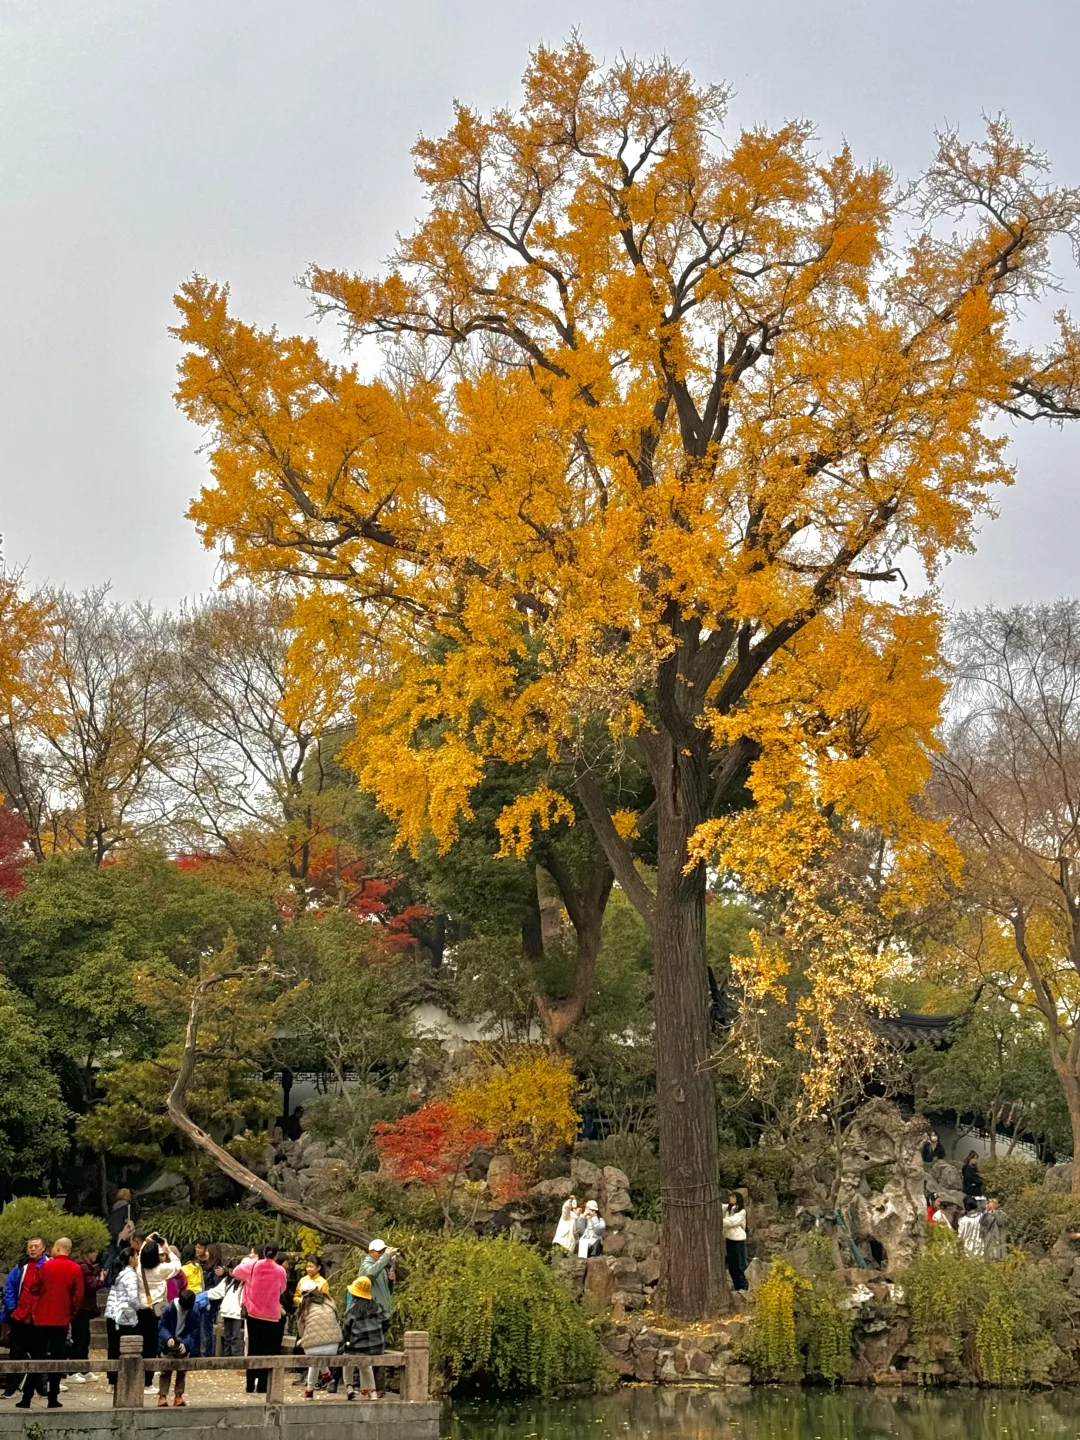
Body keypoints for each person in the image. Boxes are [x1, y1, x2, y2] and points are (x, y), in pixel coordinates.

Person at [19, 1237, 83, 1410]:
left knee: (37, 1358)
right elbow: (78, 1296)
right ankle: (53, 1397)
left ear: (57, 1248)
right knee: (57, 1359)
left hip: (42, 1318)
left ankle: (27, 1397)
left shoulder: (46, 1267)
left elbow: (34, 1287)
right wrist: (71, 1313)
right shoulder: (75, 1268)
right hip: (61, 1319)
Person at [231, 1244, 288, 1394]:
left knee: (253, 1348)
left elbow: (236, 1272)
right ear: (276, 1255)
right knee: (267, 1350)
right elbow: (282, 1288)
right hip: (271, 1315)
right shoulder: (280, 1270)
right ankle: (263, 1385)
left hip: (254, 1313)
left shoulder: (253, 1266)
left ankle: (250, 1385)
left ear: (263, 1253)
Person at [1, 1237, 48, 1398]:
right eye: (30, 1247)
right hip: (20, 1316)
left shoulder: (48, 1265)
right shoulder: (21, 1267)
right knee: (16, 1353)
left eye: (36, 1246)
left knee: (40, 1354)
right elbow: (9, 1288)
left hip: (40, 1318)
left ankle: (41, 1388)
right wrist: (12, 1309)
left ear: (43, 1248)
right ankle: (10, 1388)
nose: (33, 1249)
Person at [136, 1236, 182, 1392]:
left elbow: (142, 1253)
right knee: (151, 1345)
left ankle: (138, 1378)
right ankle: (147, 1382)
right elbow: (177, 1265)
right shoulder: (161, 1269)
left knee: (142, 1345)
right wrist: (167, 1249)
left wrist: (147, 1241)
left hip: (141, 1309)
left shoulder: (139, 1268)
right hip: (155, 1310)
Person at [294, 1260, 342, 1400]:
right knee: (318, 1351)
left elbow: (301, 1331)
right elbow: (336, 1318)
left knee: (314, 1354)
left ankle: (310, 1389)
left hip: (314, 1347)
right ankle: (326, 1378)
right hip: (334, 1344)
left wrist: (304, 1339)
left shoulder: (305, 1307)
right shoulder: (329, 1300)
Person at [341, 1275, 384, 1401]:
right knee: (364, 1360)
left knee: (347, 1355)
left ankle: (349, 1386)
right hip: (377, 1346)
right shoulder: (377, 1306)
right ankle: (372, 1391)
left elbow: (345, 1329)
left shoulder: (352, 1309)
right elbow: (387, 1322)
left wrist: (344, 1343)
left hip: (359, 1346)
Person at [157, 1288, 201, 1407]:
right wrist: (168, 1338)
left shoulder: (194, 1311)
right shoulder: (169, 1308)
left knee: (182, 1370)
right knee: (166, 1370)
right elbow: (162, 1325)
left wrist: (186, 1343)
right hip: (169, 1342)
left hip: (182, 1341)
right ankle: (162, 1395)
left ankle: (179, 1395)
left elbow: (193, 1330)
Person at [104, 1247, 141, 1388]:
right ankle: (124, 1379)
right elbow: (132, 1298)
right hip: (124, 1316)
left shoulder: (118, 1272)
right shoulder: (130, 1275)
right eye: (136, 1256)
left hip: (112, 1314)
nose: (137, 1259)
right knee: (125, 1348)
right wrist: (137, 1307)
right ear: (131, 1258)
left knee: (112, 1347)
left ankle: (112, 1380)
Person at [69, 1247, 104, 1382]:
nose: (96, 1254)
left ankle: (83, 1369)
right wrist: (101, 1278)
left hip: (84, 1307)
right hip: (82, 1307)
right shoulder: (83, 1267)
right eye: (94, 1251)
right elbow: (92, 1285)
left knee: (84, 1338)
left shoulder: (85, 1266)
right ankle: (73, 1370)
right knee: (80, 1338)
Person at [358, 1240, 399, 1339]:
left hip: (383, 1314)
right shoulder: (366, 1266)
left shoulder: (381, 1268)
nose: (381, 1254)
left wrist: (390, 1281)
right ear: (371, 1252)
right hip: (372, 1315)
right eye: (379, 1252)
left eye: (383, 1251)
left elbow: (387, 1291)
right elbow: (370, 1274)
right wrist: (386, 1256)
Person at [206, 1265, 245, 1358]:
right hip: (227, 1312)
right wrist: (204, 1295)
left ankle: (235, 1357)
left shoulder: (244, 1282)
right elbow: (217, 1292)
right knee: (227, 1337)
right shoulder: (228, 1281)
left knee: (235, 1337)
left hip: (237, 1313)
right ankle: (226, 1356)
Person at [722, 1193, 749, 1292]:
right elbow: (718, 1207)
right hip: (729, 1240)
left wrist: (719, 1221)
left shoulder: (742, 1211)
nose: (731, 1198)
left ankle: (743, 1286)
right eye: (731, 1196)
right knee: (731, 1266)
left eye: (733, 1197)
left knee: (739, 1265)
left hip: (738, 1241)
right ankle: (737, 1285)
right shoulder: (727, 1209)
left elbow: (733, 1221)